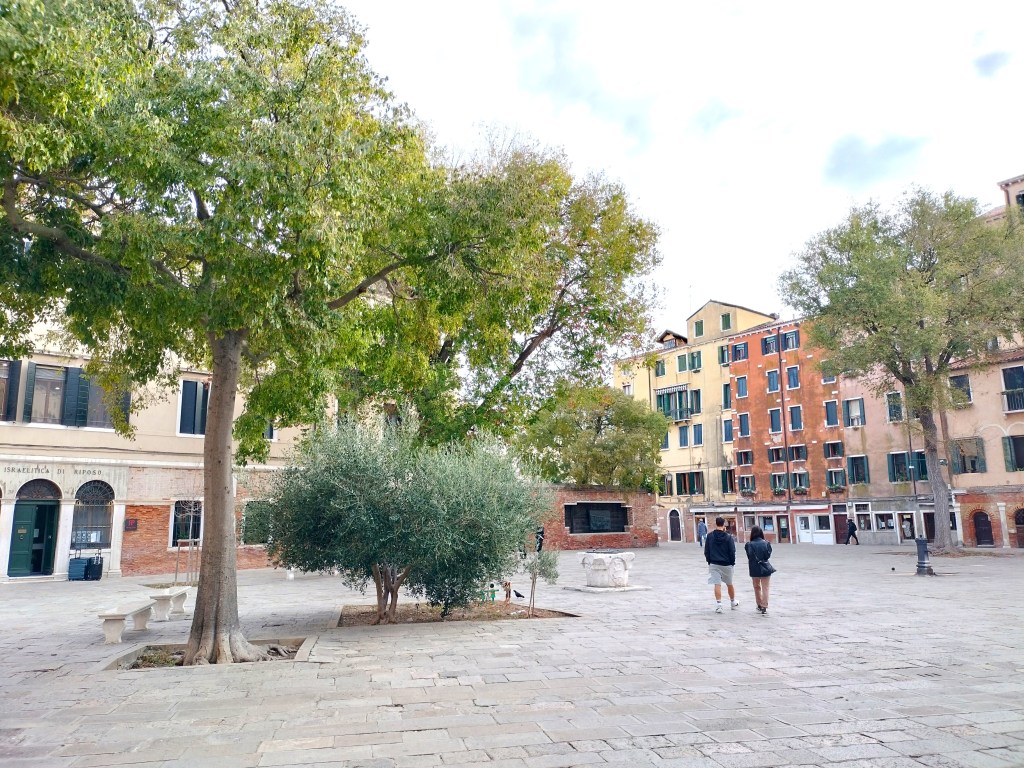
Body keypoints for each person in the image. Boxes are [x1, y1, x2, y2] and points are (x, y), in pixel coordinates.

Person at [704, 516, 738, 613]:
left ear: (716, 524)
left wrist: (709, 561)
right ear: (724, 525)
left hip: (714, 563)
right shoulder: (728, 537)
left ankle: (719, 605)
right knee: (729, 583)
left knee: (717, 584)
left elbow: (707, 551)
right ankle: (732, 602)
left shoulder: (710, 536)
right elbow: (732, 551)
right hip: (727, 564)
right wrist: (732, 563)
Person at [745, 526, 774, 615]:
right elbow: (767, 556)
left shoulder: (748, 544)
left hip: (754, 568)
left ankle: (759, 604)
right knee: (765, 587)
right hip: (765, 568)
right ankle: (764, 606)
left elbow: (749, 556)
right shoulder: (766, 543)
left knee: (757, 587)